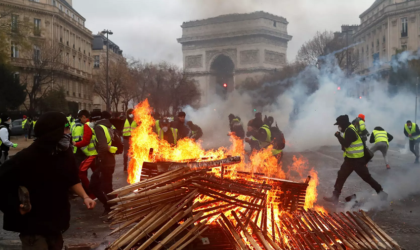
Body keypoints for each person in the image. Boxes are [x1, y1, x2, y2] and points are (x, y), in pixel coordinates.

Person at [0, 112, 96, 250]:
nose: (69, 133)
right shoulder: (27, 158)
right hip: (33, 228)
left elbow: (71, 179)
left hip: (56, 225)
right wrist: (15, 207)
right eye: (66, 129)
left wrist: (85, 196)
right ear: (53, 132)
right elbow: (2, 184)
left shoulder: (64, 153)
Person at [324, 115, 387, 204]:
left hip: (357, 161)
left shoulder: (350, 130)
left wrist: (338, 136)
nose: (339, 127)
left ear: (343, 124)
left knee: (367, 178)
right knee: (341, 175)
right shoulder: (348, 129)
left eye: (340, 125)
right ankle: (335, 196)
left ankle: (381, 193)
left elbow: (346, 144)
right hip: (350, 160)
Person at [90, 110, 117, 216]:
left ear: (93, 119)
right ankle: (111, 207)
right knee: (105, 186)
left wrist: (100, 159)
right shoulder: (108, 126)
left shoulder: (98, 128)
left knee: (97, 186)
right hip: (109, 160)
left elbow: (103, 146)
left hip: (105, 162)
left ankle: (111, 208)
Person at [73, 110, 97, 199]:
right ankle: (101, 190)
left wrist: (76, 144)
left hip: (90, 154)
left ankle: (91, 193)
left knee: (81, 173)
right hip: (94, 154)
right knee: (96, 173)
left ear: (83, 116)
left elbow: (85, 141)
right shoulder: (96, 125)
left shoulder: (86, 126)